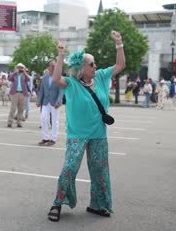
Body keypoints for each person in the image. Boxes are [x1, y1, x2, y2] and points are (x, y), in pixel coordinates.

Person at [47, 31, 126, 222]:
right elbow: (56, 78)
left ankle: (98, 205)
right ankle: (58, 203)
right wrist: (60, 55)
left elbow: (120, 65)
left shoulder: (99, 77)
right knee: (70, 167)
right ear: (82, 67)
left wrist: (119, 44)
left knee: (100, 170)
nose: (95, 66)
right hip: (77, 134)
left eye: (94, 63)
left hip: (98, 133)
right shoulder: (72, 83)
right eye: (92, 64)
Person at [37, 60, 63, 146]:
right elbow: (41, 91)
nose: (52, 67)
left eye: (54, 66)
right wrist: (39, 101)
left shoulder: (59, 77)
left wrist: (58, 101)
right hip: (45, 102)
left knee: (54, 121)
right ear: (48, 67)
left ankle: (53, 138)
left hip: (55, 103)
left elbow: (61, 91)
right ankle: (45, 138)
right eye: (51, 66)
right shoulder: (44, 78)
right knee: (43, 118)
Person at [7, 63, 30, 128]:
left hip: (22, 93)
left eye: (21, 67)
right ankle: (9, 122)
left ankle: (19, 122)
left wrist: (25, 72)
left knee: (21, 109)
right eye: (18, 67)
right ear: (16, 68)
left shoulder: (24, 75)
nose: (20, 69)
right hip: (15, 93)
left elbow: (28, 79)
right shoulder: (14, 74)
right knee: (13, 108)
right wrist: (15, 72)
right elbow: (9, 79)